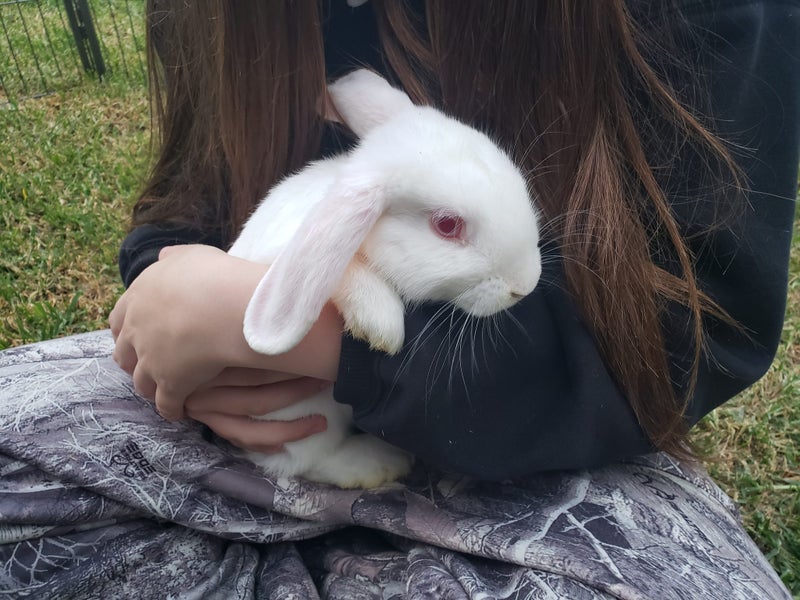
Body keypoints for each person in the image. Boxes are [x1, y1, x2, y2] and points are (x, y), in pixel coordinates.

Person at [0, 0, 797, 597]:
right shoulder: (231, 25)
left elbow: (695, 336)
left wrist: (326, 341)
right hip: (265, 431)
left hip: (544, 442)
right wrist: (169, 299)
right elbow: (183, 206)